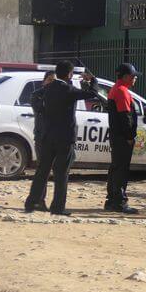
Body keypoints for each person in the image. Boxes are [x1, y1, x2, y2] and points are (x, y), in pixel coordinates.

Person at [25, 61, 97, 215]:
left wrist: (40, 110)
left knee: (42, 171)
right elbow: (92, 94)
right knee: (61, 173)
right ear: (70, 74)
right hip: (64, 139)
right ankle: (58, 207)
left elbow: (35, 97)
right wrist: (93, 81)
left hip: (47, 136)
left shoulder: (48, 88)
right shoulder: (69, 90)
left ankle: (31, 202)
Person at [105, 63, 142, 214]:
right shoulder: (122, 91)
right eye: (134, 76)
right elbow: (125, 117)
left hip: (116, 136)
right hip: (122, 137)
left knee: (115, 168)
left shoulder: (117, 89)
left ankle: (112, 200)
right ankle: (120, 202)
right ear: (126, 76)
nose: (135, 79)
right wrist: (129, 137)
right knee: (121, 170)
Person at [25, 70, 55, 212]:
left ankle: (41, 200)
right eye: (49, 80)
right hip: (42, 138)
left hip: (55, 138)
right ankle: (38, 200)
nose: (51, 83)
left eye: (54, 80)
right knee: (43, 170)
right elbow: (39, 108)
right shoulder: (38, 94)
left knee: (49, 171)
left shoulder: (59, 96)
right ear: (44, 81)